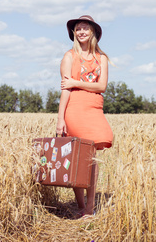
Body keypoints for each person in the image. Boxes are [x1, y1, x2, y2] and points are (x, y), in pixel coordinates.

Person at [56, 15, 114, 218]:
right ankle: (82, 205)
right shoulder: (69, 57)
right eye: (78, 29)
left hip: (94, 109)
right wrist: (60, 118)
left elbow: (102, 86)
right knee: (79, 158)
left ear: (93, 32)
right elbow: (65, 89)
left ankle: (89, 208)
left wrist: (76, 82)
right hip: (74, 109)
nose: (81, 32)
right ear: (74, 33)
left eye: (85, 29)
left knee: (93, 159)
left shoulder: (102, 58)